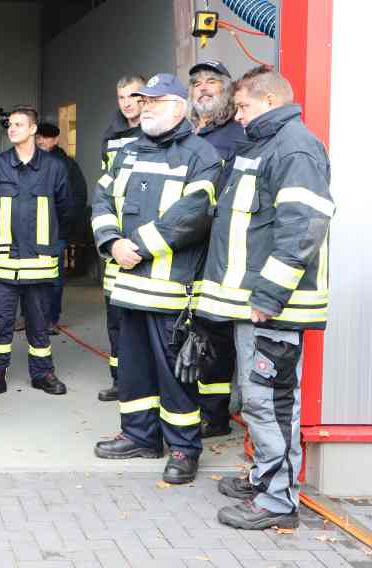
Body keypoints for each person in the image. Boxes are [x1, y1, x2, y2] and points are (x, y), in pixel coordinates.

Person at [195, 66, 333, 530]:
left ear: (270, 102)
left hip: (272, 308)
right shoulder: (266, 145)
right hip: (252, 305)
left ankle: (277, 501)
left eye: (244, 106)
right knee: (258, 401)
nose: (238, 116)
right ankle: (264, 478)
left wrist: (270, 295)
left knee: (270, 402)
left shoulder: (293, 148)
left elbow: (302, 228)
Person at [91, 73, 221, 485]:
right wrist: (112, 243)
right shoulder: (127, 152)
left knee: (174, 375)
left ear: (179, 108)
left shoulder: (201, 155)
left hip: (170, 292)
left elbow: (193, 216)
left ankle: (183, 448)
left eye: (155, 101)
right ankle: (139, 436)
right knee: (134, 368)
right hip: (128, 288)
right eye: (143, 100)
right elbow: (101, 200)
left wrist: (137, 247)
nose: (145, 106)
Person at [0, 110, 72, 401]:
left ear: (33, 129)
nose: (12, 129)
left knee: (39, 322)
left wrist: (51, 241)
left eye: (18, 124)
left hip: (40, 264)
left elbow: (66, 210)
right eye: (10, 125)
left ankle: (42, 373)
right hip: (3, 263)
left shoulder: (54, 168)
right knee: (0, 322)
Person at [187, 59, 250, 439]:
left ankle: (215, 415)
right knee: (190, 330)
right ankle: (193, 404)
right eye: (197, 83)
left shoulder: (237, 138)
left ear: (227, 90)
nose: (203, 88)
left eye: (212, 81)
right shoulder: (188, 134)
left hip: (219, 252)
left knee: (214, 333)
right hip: (186, 251)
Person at [97, 75, 146, 403]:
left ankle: (144, 380)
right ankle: (120, 379)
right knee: (115, 317)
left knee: (144, 320)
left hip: (146, 237)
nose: (127, 103)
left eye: (133, 96)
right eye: (121, 97)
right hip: (117, 240)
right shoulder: (111, 135)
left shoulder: (157, 131)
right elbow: (105, 186)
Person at [35, 121, 88, 332]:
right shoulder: (26, 161)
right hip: (28, 231)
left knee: (53, 278)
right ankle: (28, 316)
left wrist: (61, 223)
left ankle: (51, 319)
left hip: (55, 231)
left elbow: (78, 197)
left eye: (46, 137)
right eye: (38, 136)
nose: (40, 140)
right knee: (27, 277)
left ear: (56, 139)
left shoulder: (66, 165)